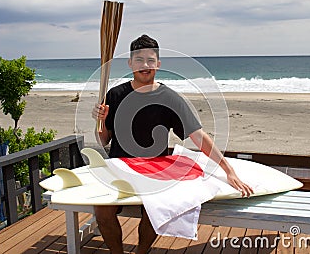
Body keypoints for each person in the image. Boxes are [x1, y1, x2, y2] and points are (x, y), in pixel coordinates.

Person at [92, 34, 253, 254]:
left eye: (150, 60)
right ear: (130, 63)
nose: (145, 65)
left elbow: (198, 136)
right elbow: (103, 139)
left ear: (158, 63)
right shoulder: (115, 95)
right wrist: (99, 121)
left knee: (156, 210)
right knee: (102, 211)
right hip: (121, 166)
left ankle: (141, 252)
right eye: (139, 60)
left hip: (155, 169)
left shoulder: (169, 98)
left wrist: (228, 170)